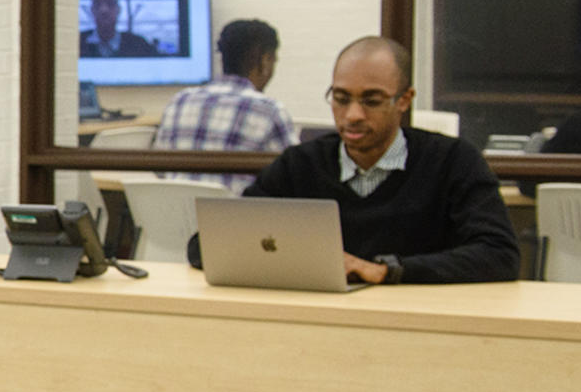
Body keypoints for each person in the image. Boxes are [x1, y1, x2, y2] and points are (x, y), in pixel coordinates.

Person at [191, 36, 517, 284]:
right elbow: (207, 246)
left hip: (419, 322)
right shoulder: (300, 165)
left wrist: (388, 270)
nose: (353, 115)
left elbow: (500, 254)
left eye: (371, 101)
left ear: (404, 100)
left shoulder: (452, 162)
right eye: (341, 99)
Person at [152, 18, 296, 191]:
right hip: (236, 216)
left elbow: (159, 170)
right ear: (265, 61)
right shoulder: (270, 110)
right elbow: (295, 177)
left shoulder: (179, 101)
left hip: (174, 215)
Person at [80, 0, 160, 58]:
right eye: (97, 3)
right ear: (92, 10)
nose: (104, 10)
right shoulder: (78, 43)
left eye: (110, 3)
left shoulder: (139, 45)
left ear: (118, 10)